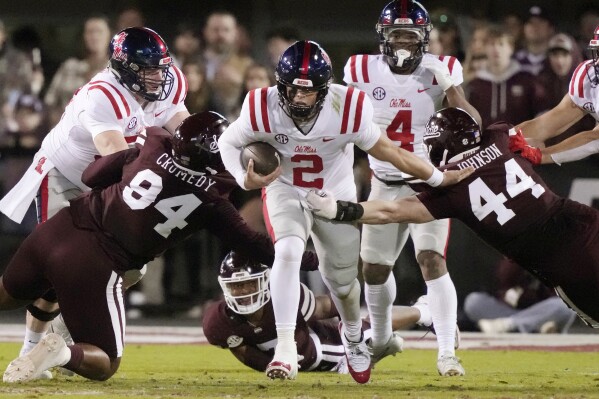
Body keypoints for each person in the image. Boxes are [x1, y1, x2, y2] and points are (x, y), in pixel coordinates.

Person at [217, 39, 473, 383]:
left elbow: (390, 152)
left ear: (325, 90)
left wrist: (438, 177)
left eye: (307, 92)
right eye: (291, 90)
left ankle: (353, 335)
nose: (298, 99)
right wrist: (242, 179)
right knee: (288, 250)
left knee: (342, 283)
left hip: (334, 194)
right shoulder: (261, 106)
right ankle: (285, 350)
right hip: (285, 188)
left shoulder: (348, 107)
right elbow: (227, 142)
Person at [0, 111, 317, 383]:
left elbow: (91, 175)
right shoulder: (212, 200)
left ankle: (36, 346)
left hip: (60, 228)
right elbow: (252, 243)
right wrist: (305, 259)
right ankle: (62, 353)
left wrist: (129, 161)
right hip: (98, 261)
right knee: (105, 362)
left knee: (5, 295)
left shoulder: (152, 144)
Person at [306, 107, 599, 336]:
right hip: (579, 219)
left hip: (556, 259)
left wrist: (340, 209)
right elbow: (536, 131)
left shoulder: (451, 189)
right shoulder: (498, 136)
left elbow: (390, 212)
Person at [0, 26, 190, 378]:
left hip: (110, 185)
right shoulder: (103, 94)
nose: (157, 77)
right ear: (124, 68)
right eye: (147, 69)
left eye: (160, 68)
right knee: (56, 268)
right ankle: (30, 349)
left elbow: (182, 124)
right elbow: (114, 157)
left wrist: (206, 151)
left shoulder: (169, 81)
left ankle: (57, 344)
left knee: (130, 271)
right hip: (66, 176)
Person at [343, 0, 480, 377]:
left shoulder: (444, 68)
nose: (403, 42)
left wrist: (450, 85)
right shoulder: (359, 69)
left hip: (428, 184)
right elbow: (339, 117)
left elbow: (473, 125)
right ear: (383, 37)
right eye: (396, 34)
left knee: (431, 259)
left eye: (410, 35)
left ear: (424, 39)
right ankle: (383, 339)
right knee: (372, 268)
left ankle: (447, 352)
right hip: (384, 182)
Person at [204, 252, 445, 374]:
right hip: (301, 357)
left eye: (248, 284)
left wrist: (352, 331)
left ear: (266, 281)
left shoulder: (286, 297)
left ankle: (423, 311)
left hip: (322, 345)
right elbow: (242, 350)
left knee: (369, 329)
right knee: (370, 330)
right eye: (236, 286)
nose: (243, 291)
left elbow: (326, 307)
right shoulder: (219, 321)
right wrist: (271, 365)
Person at [518, 25, 599, 164]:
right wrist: (503, 140)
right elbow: (549, 123)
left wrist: (542, 154)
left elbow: (595, 138)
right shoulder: (589, 76)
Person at [464, 258, 576, 334]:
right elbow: (501, 283)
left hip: (542, 309)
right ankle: (534, 327)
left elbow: (557, 295)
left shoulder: (557, 259)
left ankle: (509, 325)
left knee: (566, 305)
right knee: (474, 302)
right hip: (513, 311)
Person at [44, 15, 112, 126]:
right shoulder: (69, 67)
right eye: (89, 32)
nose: (94, 36)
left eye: (99, 31)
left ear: (109, 35)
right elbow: (50, 101)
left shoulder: (119, 71)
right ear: (83, 36)